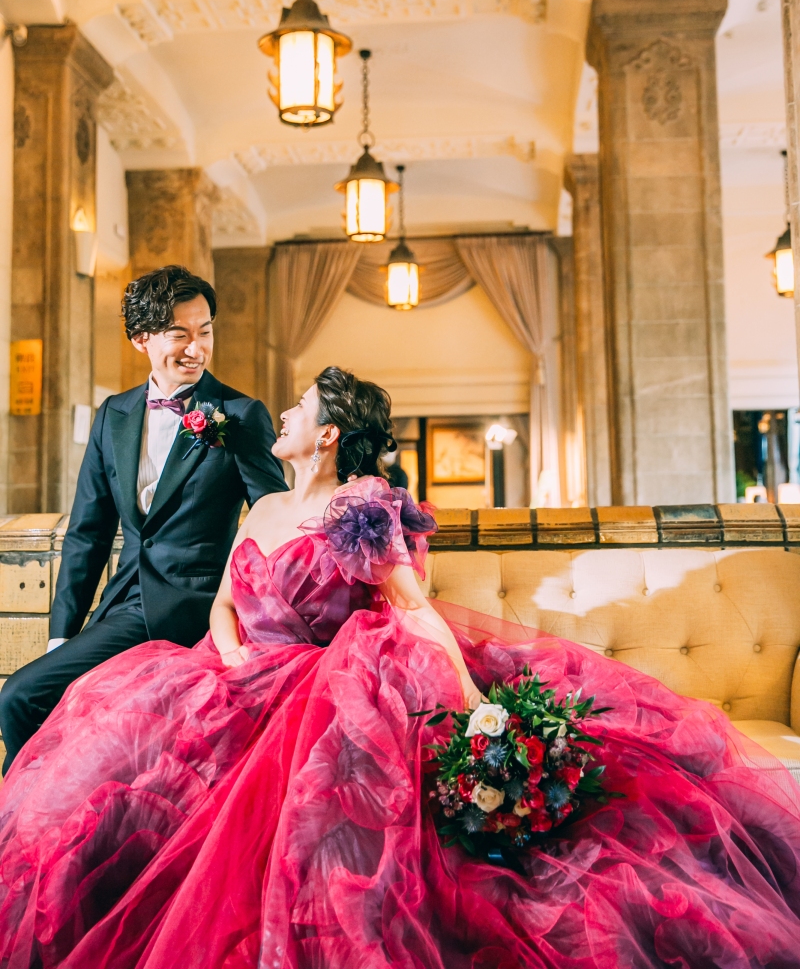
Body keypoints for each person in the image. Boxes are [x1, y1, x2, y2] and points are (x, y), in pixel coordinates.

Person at [1, 365, 800, 969]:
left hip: (324, 689)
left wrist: (477, 708)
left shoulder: (362, 505)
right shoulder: (265, 504)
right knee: (105, 793)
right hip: (231, 676)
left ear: (327, 435)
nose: (283, 413)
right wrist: (231, 650)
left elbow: (411, 607)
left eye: (300, 406)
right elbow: (223, 602)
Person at [0, 265, 286, 773]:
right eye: (180, 334)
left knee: (26, 699)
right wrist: (63, 636)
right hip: (122, 608)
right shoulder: (114, 414)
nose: (196, 348)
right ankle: (45, 807)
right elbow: (87, 534)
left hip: (197, 608)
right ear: (141, 338)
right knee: (30, 700)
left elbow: (273, 520)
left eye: (205, 332)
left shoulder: (240, 415)